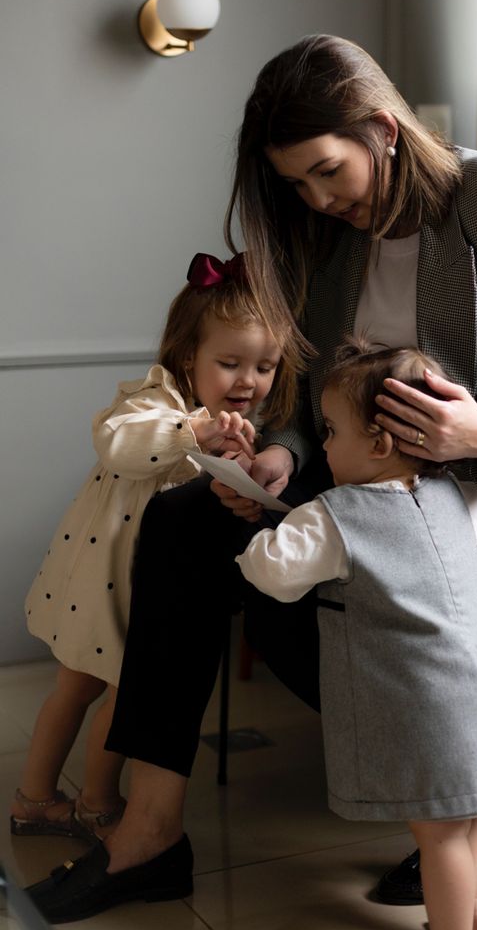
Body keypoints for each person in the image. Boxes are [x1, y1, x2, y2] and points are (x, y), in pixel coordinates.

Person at [27, 34, 477, 925]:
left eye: (325, 171)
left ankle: (471, 796)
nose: (316, 198)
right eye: (295, 184)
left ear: (382, 128)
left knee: (325, 572)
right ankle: (147, 834)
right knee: (189, 523)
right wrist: (283, 455)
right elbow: (314, 396)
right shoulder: (330, 238)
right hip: (364, 477)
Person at [239, 340, 477, 930]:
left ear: (377, 444)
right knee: (468, 819)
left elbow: (274, 575)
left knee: (440, 836)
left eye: (332, 431)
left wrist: (257, 530)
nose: (326, 445)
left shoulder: (333, 518)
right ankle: (475, 912)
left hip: (421, 708)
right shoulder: (461, 498)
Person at [12, 251, 305, 844]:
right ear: (185, 355)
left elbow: (218, 496)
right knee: (88, 690)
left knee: (117, 692)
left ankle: (48, 799)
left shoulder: (238, 422)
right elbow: (118, 445)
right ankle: (71, 803)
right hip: (107, 577)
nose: (249, 381)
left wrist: (242, 478)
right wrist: (192, 430)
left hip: (151, 584)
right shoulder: (154, 402)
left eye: (266, 366)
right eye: (229, 363)